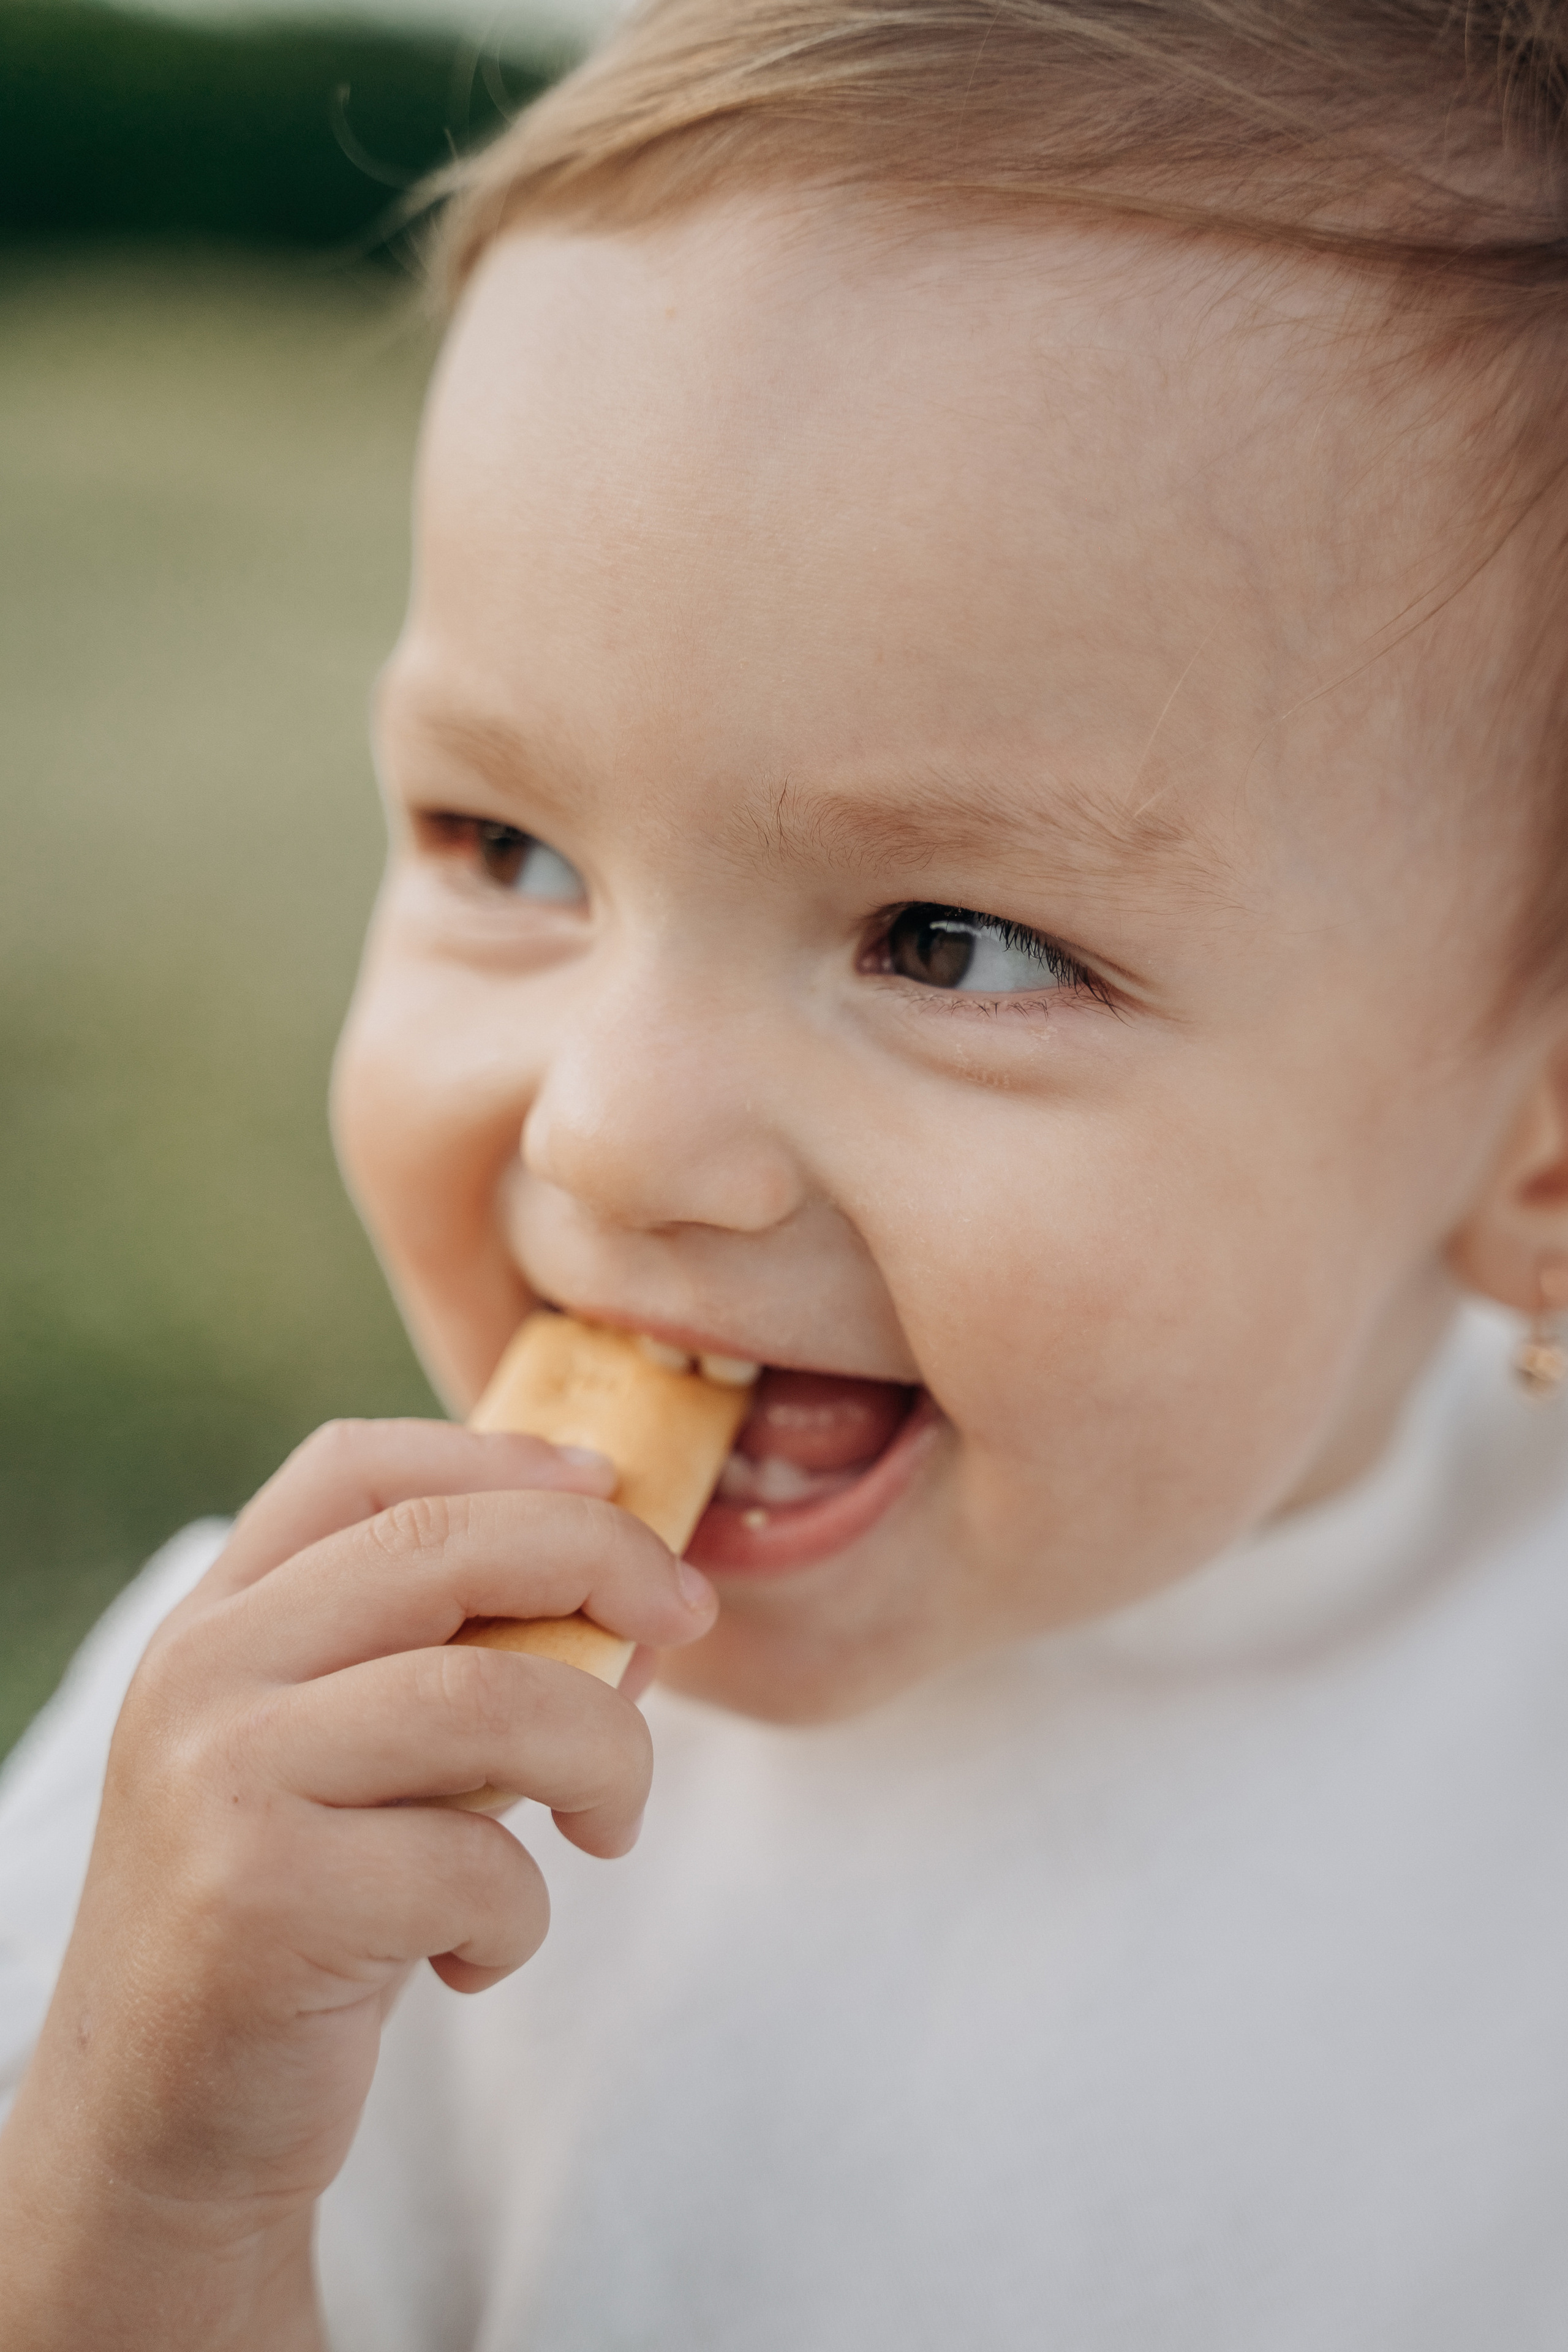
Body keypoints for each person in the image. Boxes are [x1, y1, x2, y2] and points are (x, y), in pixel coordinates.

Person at [6, 1, 1568, 2342]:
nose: (610, 1127)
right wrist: (158, 2178)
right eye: (503, 843)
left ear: (1537, 1141)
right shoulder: (278, 1805)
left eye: (954, 939)